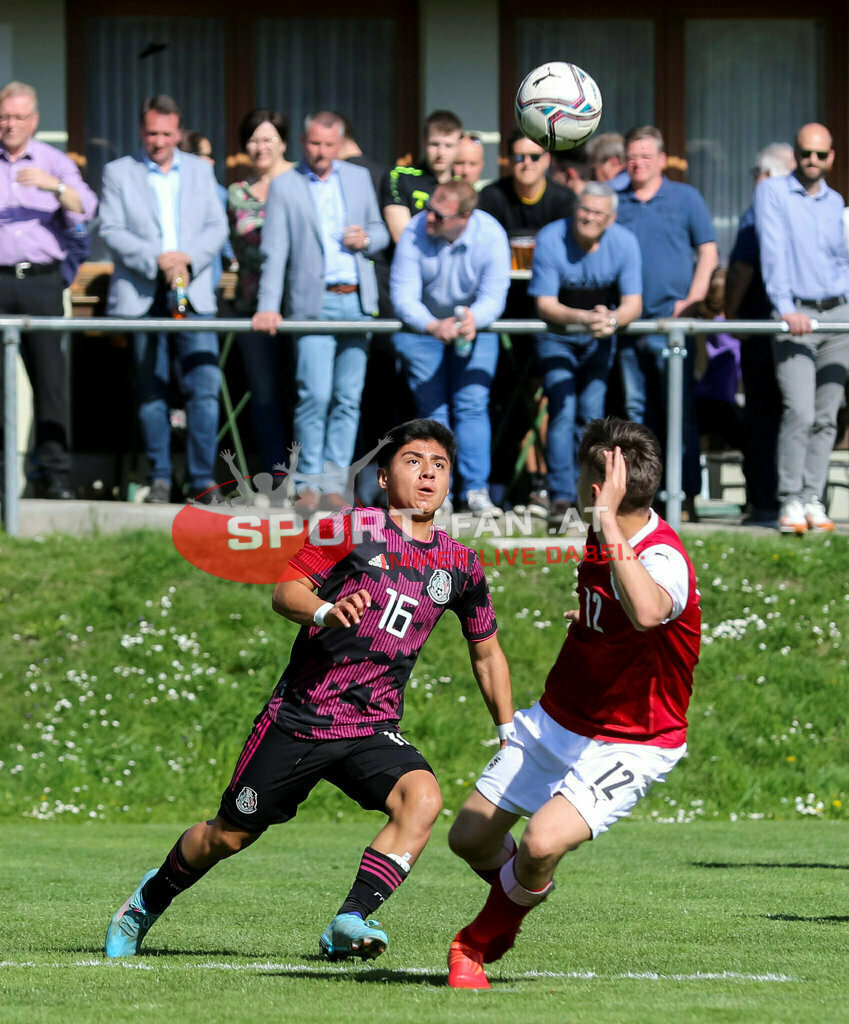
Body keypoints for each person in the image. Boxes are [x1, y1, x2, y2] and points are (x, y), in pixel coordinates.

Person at [104, 417, 515, 962]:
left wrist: (508, 731)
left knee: (422, 799)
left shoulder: (460, 564)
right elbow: (286, 591)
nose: (427, 474)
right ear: (384, 477)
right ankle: (146, 901)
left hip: (372, 726)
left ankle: (350, 920)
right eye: (413, 461)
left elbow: (486, 652)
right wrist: (326, 610)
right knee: (228, 835)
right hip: (301, 717)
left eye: (439, 465)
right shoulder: (349, 527)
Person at [445, 416, 701, 989]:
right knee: (469, 838)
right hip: (562, 718)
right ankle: (520, 891)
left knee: (540, 842)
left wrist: (605, 519)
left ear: (597, 488)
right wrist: (592, 616)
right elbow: (622, 613)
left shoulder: (662, 556)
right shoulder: (601, 532)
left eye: (581, 476)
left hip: (635, 739)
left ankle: (477, 940)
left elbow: (649, 612)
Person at [252, 111, 389, 508]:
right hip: (313, 303)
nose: (321, 151)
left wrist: (365, 239)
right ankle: (307, 483)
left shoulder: (358, 178)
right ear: (302, 141)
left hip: (356, 301)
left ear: (340, 144)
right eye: (314, 143)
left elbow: (381, 232)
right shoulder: (285, 185)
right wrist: (267, 306)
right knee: (314, 394)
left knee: (348, 398)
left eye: (329, 144)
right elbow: (274, 252)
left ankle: (335, 484)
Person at [99, 94, 228, 504]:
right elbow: (111, 228)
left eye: (167, 134)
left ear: (179, 132)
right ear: (142, 130)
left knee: (204, 387)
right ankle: (159, 478)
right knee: (151, 389)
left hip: (194, 290)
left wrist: (186, 259)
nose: (158, 141)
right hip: (142, 291)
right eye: (152, 133)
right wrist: (157, 260)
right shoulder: (119, 172)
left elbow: (217, 225)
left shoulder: (200, 171)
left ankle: (201, 480)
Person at [0, 80, 97, 499]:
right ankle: (3, 480)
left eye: (19, 117)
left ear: (34, 121)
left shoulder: (54, 162)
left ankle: (55, 475)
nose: (10, 124)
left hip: (41, 283)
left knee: (50, 382)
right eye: (4, 116)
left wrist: (54, 186)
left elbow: (87, 208)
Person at [615, 125, 718, 519]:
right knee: (636, 416)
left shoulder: (685, 197)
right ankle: (642, 499)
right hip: (628, 326)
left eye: (645, 156)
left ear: (661, 159)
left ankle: (684, 496)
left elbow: (708, 252)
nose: (638, 163)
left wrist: (693, 301)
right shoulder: (615, 200)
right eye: (632, 156)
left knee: (679, 412)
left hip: (672, 326)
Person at [390, 180, 511, 516]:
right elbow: (403, 296)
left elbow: (493, 297)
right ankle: (436, 494)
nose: (428, 217)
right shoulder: (415, 230)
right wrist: (432, 325)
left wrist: (474, 319)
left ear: (465, 218)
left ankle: (475, 492)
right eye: (428, 208)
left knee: (472, 405)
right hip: (422, 327)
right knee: (434, 411)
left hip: (474, 326)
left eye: (439, 215)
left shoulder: (491, 235)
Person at [528, 183, 642, 529]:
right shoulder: (551, 237)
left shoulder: (625, 242)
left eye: (597, 212)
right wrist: (584, 317)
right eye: (584, 209)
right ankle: (561, 497)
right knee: (562, 413)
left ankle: (591, 495)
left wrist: (611, 320)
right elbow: (545, 304)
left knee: (591, 417)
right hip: (557, 335)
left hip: (599, 337)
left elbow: (633, 304)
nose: (589, 217)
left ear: (611, 218)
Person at [753, 122, 849, 534]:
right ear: (796, 154)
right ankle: (791, 499)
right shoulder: (773, 192)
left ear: (831, 158)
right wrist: (785, 307)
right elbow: (772, 253)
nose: (813, 160)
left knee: (828, 415)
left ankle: (813, 498)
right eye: (806, 153)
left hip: (837, 315)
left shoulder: (835, 201)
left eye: (820, 154)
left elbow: (841, 260)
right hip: (796, 315)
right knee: (800, 410)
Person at [477, 130, 575, 518]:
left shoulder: (563, 200)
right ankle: (499, 486)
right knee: (499, 401)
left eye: (534, 157)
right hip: (500, 315)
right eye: (519, 157)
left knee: (548, 399)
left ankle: (544, 486)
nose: (526, 164)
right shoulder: (491, 197)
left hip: (550, 315)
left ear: (547, 160)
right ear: (508, 161)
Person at [725, 143, 796, 525]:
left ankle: (766, 502)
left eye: (756, 173)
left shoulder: (760, 209)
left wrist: (732, 316)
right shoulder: (803, 207)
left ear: (766, 176)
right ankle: (793, 500)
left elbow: (741, 268)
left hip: (761, 327)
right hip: (801, 324)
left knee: (764, 416)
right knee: (796, 414)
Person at [227, 109, 293, 472]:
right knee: (264, 394)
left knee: (307, 392)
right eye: (253, 140)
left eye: (268, 138)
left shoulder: (301, 183)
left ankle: (313, 478)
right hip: (251, 305)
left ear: (283, 142)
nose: (260, 147)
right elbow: (239, 247)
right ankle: (276, 475)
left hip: (300, 305)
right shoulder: (237, 193)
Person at [380, 110, 463, 243]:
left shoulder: (462, 187)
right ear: (424, 142)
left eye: (448, 146)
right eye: (434, 144)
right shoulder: (399, 176)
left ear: (459, 146)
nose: (441, 153)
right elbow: (402, 237)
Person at [179, 129, 236, 294]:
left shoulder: (217, 192)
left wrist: (232, 259)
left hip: (205, 285)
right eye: (207, 155)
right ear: (190, 157)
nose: (212, 161)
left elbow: (223, 236)